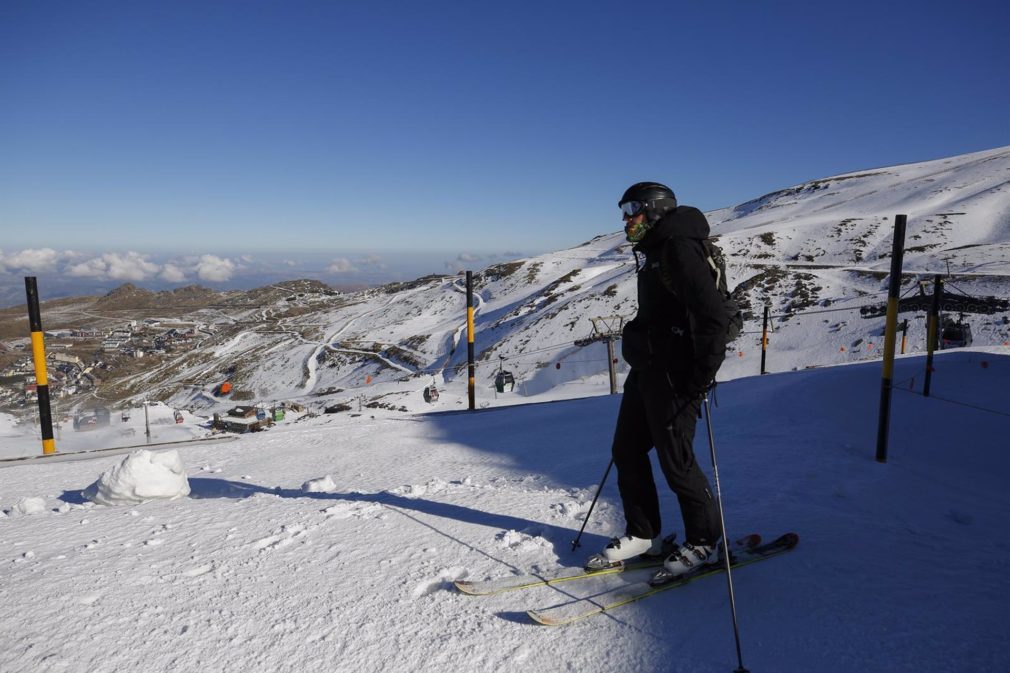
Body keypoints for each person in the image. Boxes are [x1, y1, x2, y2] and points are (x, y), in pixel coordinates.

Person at [585, 182, 730, 581]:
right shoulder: (653, 250)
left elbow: (713, 317)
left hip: (676, 374)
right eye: (624, 209)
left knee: (676, 462)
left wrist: (699, 377)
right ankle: (643, 534)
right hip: (648, 368)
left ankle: (704, 540)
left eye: (632, 208)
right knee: (626, 450)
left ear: (655, 210)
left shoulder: (679, 248)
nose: (625, 217)